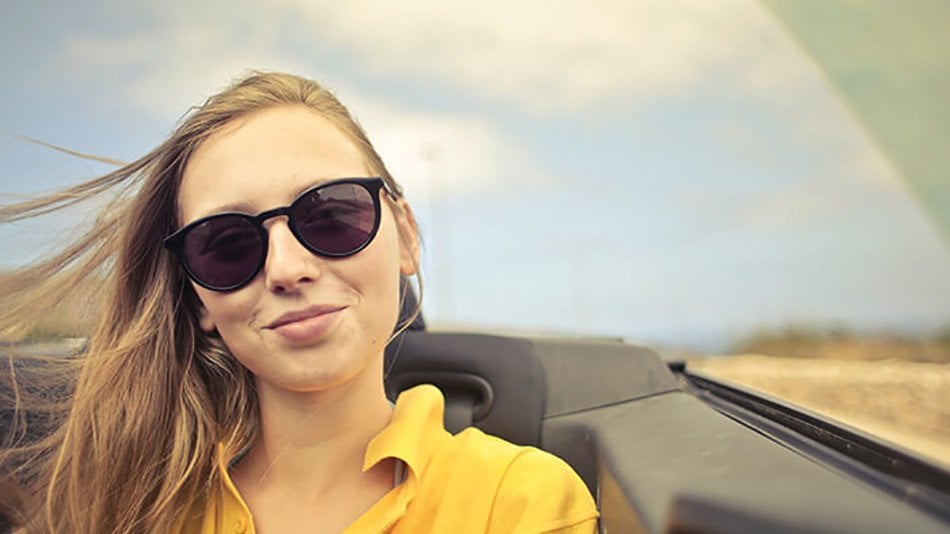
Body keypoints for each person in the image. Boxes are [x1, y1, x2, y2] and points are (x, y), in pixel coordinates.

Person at [0, 71, 598, 533]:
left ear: (406, 235)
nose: (287, 269)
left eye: (332, 214)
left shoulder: (521, 503)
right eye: (227, 245)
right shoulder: (124, 501)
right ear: (200, 301)